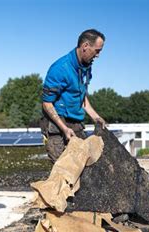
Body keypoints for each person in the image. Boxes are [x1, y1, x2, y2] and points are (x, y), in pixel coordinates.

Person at [40, 29, 107, 162]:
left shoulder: (86, 67)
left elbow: (81, 95)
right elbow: (46, 103)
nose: (98, 55)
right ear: (85, 46)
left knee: (83, 164)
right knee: (63, 169)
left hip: (76, 121)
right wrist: (64, 128)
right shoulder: (60, 69)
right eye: (97, 50)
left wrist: (96, 117)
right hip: (58, 123)